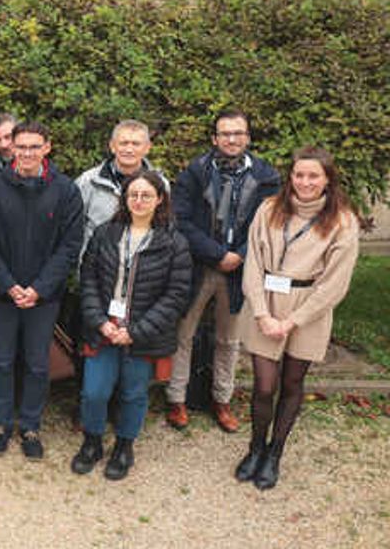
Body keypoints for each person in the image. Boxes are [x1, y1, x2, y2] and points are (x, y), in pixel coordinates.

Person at [236, 147, 358, 490]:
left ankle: (275, 453)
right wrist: (262, 313)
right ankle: (255, 447)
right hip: (267, 303)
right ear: (290, 177)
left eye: (313, 176)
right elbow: (253, 264)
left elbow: (335, 284)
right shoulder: (269, 209)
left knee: (291, 384)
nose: (305, 182)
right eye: (299, 175)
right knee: (263, 386)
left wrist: (291, 322)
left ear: (327, 180)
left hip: (309, 311)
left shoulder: (342, 221)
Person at [0, 121, 84, 460]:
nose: (27, 154)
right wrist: (8, 285)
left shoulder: (65, 191)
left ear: (47, 148)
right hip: (1, 293)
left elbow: (70, 245)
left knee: (37, 364)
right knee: (2, 361)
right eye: (21, 147)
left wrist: (38, 288)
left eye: (34, 147)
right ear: (11, 149)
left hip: (44, 297)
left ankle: (31, 425)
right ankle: (2, 423)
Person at [73, 171, 191, 481]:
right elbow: (88, 281)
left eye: (146, 195)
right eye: (132, 195)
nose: (138, 201)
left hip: (143, 333)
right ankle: (92, 442)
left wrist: (135, 330)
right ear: (124, 199)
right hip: (105, 329)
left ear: (160, 199)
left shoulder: (174, 242)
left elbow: (176, 294)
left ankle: (125, 446)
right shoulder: (104, 234)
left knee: (134, 393)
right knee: (94, 392)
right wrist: (100, 321)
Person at [168, 110, 280, 432]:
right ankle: (176, 399)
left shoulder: (266, 176)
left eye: (238, 133)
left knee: (229, 340)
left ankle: (222, 399)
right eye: (225, 134)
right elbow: (182, 220)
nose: (231, 139)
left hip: (241, 270)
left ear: (247, 137)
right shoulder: (195, 172)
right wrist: (217, 253)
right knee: (183, 334)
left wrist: (240, 256)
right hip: (199, 265)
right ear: (214, 138)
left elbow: (269, 224)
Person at [75, 119, 166, 254]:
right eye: (123, 143)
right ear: (112, 146)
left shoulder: (161, 184)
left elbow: (165, 228)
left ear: (147, 148)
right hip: (97, 268)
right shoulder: (88, 182)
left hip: (146, 267)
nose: (129, 149)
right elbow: (73, 229)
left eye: (136, 144)